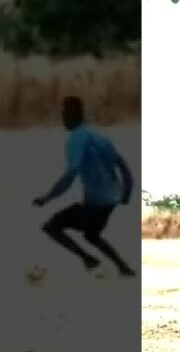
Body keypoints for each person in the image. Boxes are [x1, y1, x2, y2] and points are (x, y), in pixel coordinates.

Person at [32, 96, 136, 277]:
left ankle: (89, 259)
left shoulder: (76, 140)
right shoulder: (101, 139)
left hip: (96, 202)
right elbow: (124, 167)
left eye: (65, 114)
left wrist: (47, 198)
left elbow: (70, 175)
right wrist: (126, 193)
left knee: (52, 227)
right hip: (111, 200)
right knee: (91, 235)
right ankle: (123, 267)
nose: (63, 119)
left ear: (73, 115)